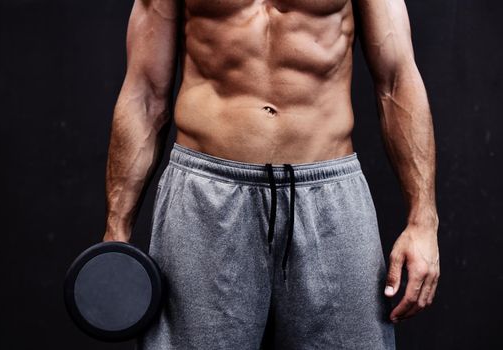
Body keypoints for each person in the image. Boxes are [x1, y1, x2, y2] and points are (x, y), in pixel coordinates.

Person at [102, 0, 440, 348]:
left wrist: (423, 223)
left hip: (329, 196)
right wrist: (117, 227)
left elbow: (397, 81)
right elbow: (144, 93)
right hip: (206, 198)